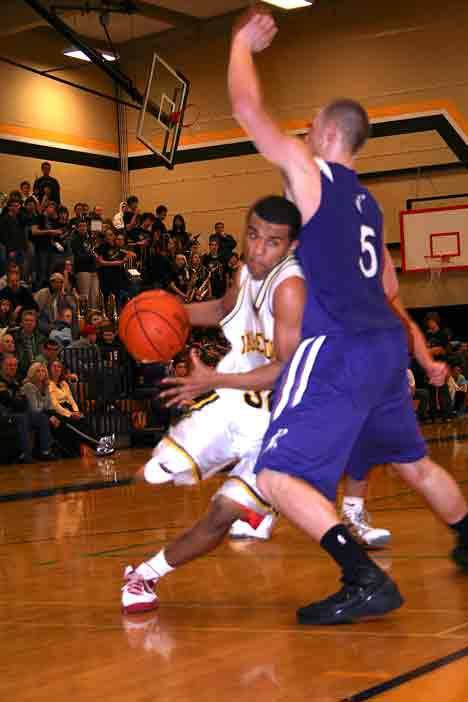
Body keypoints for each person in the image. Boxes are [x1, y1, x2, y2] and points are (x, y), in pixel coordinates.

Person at [225, 9, 468, 625]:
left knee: (275, 475)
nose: (303, 134)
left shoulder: (313, 176)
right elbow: (389, 285)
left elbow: (248, 111)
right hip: (384, 343)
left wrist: (240, 44)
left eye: (310, 127)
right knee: (413, 463)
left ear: (328, 133)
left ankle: (362, 578)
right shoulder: (369, 205)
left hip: (338, 346)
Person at [121, 195, 306, 614]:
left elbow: (286, 370)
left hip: (281, 423)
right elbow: (223, 309)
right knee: (156, 470)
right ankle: (258, 506)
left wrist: (212, 380)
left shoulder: (290, 290)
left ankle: (144, 575)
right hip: (237, 403)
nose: (257, 250)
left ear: (291, 246)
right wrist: (160, 311)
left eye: (272, 242)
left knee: (221, 512)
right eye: (253, 235)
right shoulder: (244, 272)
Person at [48, 359, 114, 457]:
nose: (57, 369)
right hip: (60, 412)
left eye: (59, 367)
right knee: (76, 426)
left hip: (69, 408)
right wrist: (70, 414)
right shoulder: (49, 384)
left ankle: (100, 442)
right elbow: (55, 404)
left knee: (83, 420)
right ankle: (99, 444)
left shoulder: (64, 383)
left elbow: (71, 399)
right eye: (54, 367)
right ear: (49, 369)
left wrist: (76, 411)